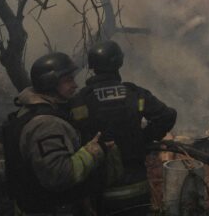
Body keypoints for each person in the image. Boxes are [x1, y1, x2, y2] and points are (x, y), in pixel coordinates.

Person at [70, 40, 177, 216]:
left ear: (93, 66)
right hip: (136, 187)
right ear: (119, 62)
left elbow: (72, 132)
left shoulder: (81, 99)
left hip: (98, 189)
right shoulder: (134, 93)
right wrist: (144, 137)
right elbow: (167, 116)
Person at [3, 52, 111, 216]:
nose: (75, 85)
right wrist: (95, 151)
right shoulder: (45, 125)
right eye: (68, 80)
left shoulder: (30, 110)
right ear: (49, 83)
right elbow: (59, 175)